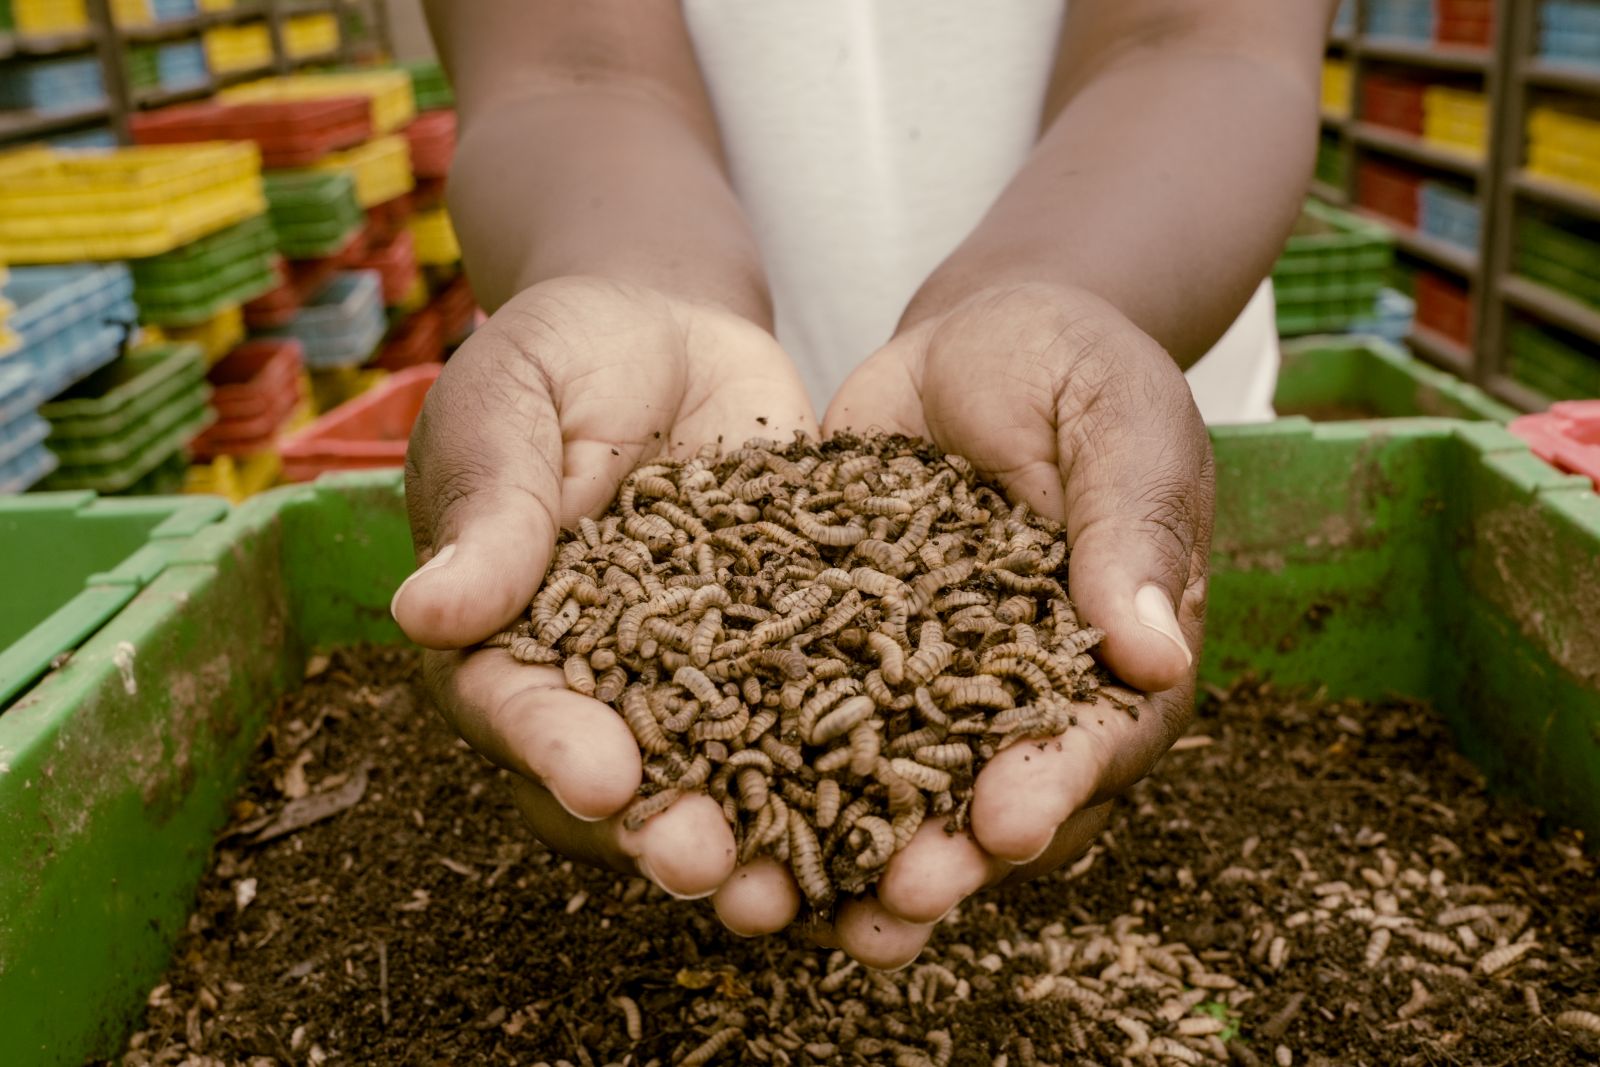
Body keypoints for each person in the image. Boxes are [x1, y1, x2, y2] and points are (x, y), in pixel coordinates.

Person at [390, 0, 1333, 970]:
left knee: (1102, 687)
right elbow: (567, 71)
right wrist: (631, 278)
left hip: (1092, 391)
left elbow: (1200, 39)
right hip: (642, 418)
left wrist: (1070, 293)